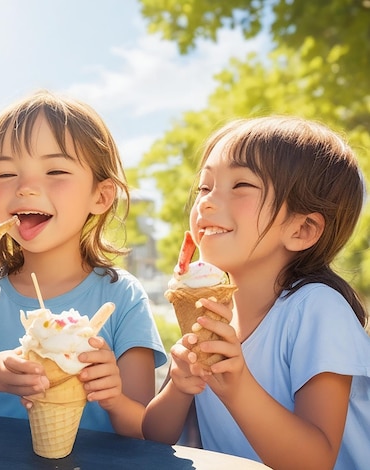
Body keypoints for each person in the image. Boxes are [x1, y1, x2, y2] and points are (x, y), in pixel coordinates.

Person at [0, 90, 166, 438]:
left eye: (55, 170)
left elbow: (145, 431)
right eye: (6, 173)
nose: (26, 187)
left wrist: (113, 397)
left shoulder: (123, 296)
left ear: (101, 196)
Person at [142, 116, 370, 470]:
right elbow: (154, 437)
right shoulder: (209, 314)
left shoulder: (318, 309)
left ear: (302, 229)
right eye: (205, 187)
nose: (205, 202)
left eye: (241, 185)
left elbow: (316, 460)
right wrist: (179, 386)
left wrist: (238, 388)